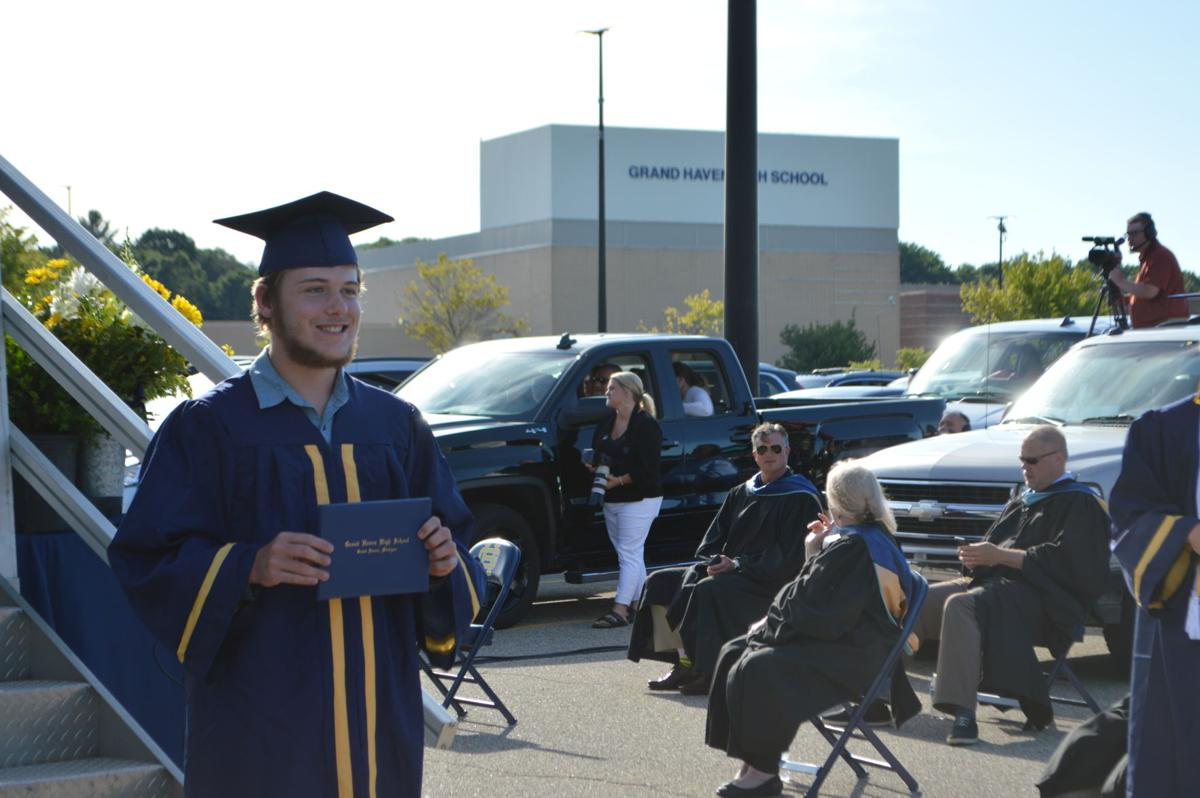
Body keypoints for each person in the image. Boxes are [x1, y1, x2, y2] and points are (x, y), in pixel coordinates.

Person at [108, 192, 485, 798]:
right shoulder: (208, 429)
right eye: (315, 289)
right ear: (265, 302)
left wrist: (445, 565)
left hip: (378, 730)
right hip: (261, 732)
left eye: (350, 289)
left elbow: (457, 555)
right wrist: (248, 564)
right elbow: (144, 560)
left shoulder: (395, 428)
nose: (339, 308)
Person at [704, 461, 919, 798]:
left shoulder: (857, 547)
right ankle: (752, 760)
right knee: (734, 651)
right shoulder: (858, 538)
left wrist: (769, 627)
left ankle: (764, 772)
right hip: (840, 639)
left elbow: (818, 613)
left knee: (760, 666)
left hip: (858, 655)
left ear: (836, 501)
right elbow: (816, 599)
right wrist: (812, 551)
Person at [912, 425, 1110, 745]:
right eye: (1022, 460)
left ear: (1057, 459)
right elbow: (995, 547)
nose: (1024, 468)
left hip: (1044, 602)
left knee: (961, 606)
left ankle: (963, 711)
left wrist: (1002, 556)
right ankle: (879, 693)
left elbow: (1075, 566)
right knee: (917, 598)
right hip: (993, 586)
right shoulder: (1023, 499)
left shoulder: (1080, 504)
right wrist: (976, 556)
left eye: (1031, 460)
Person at [627, 423, 822, 694]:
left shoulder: (801, 496)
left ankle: (707, 672)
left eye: (776, 448)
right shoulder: (742, 492)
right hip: (733, 571)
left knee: (709, 589)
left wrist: (739, 565)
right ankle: (683, 662)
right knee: (659, 581)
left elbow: (790, 556)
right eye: (762, 449)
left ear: (787, 451)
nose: (769, 454)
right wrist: (716, 560)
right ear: (754, 455)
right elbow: (712, 540)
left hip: (772, 582)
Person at [1108, 393, 1200, 796]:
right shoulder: (1165, 428)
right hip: (1188, 608)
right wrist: (1188, 533)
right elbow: (1131, 508)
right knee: (1177, 732)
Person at [590, 371, 663, 628]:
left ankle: (619, 610)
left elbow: (649, 469)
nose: (606, 393)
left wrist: (619, 480)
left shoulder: (646, 425)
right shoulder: (608, 420)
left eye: (612, 389)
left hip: (640, 498)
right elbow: (598, 447)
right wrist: (595, 465)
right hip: (612, 497)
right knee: (632, 554)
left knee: (628, 553)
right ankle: (639, 606)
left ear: (628, 393)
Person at [1107, 212, 1188, 329]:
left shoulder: (1160, 256)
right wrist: (1123, 298)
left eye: (1134, 233)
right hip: (1154, 331)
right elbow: (1145, 295)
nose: (1129, 239)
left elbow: (1150, 291)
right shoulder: (1148, 258)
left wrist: (1120, 282)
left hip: (1164, 332)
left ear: (1149, 233)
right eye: (1128, 234)